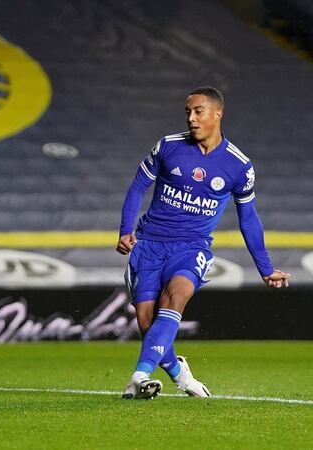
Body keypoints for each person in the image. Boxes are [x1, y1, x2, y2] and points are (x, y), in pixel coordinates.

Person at [116, 86, 290, 400]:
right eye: (188, 112)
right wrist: (125, 230)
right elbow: (137, 186)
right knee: (145, 320)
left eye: (198, 111)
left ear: (217, 114)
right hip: (149, 243)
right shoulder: (168, 146)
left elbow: (248, 218)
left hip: (192, 246)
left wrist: (266, 268)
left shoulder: (238, 165)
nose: (191, 119)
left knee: (175, 298)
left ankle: (139, 377)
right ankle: (180, 374)